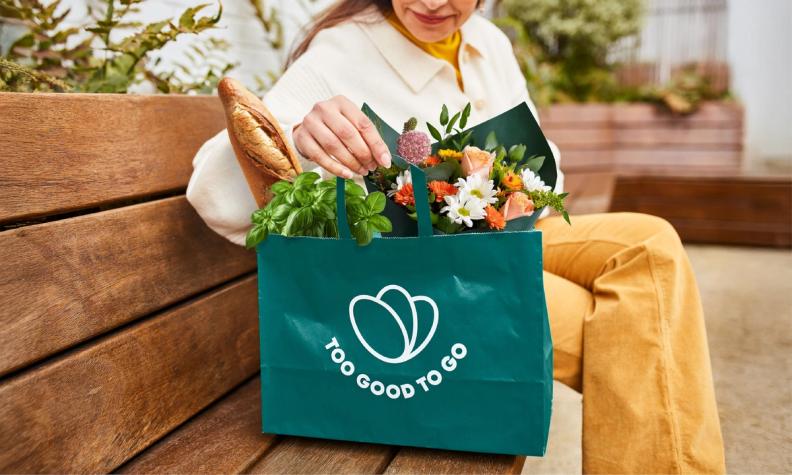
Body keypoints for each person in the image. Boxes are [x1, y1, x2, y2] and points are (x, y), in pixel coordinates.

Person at [186, 1, 726, 473]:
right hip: (425, 278)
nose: (432, 1)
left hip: (506, 237)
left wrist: (486, 179)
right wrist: (304, 135)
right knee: (637, 320)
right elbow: (214, 195)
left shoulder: (487, 44)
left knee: (650, 242)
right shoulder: (342, 51)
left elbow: (549, 172)